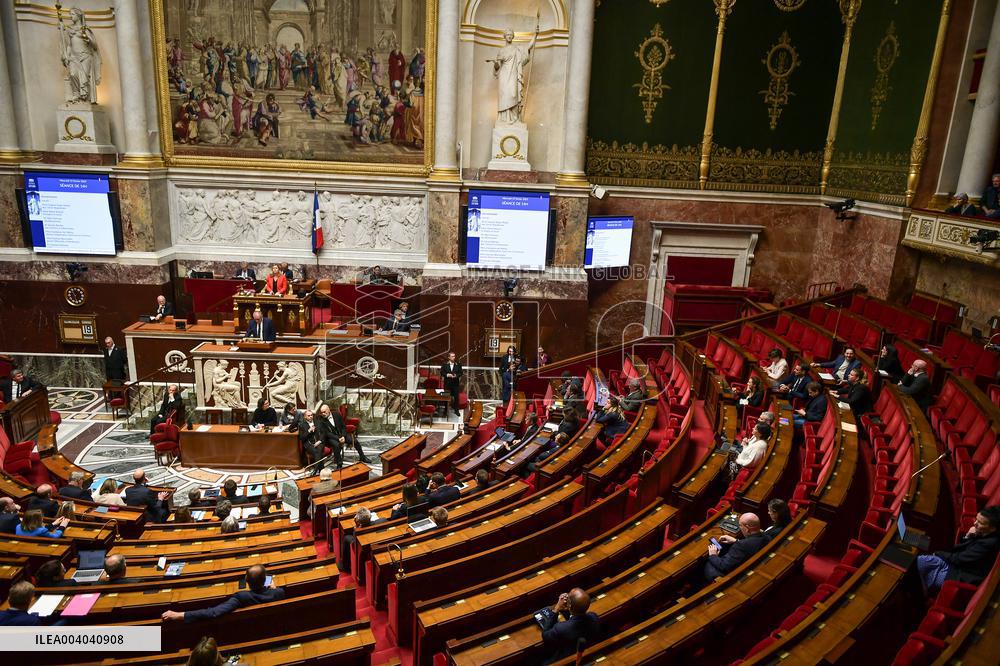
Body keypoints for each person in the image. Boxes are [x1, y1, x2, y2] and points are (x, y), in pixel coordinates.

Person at [916, 507, 999, 595]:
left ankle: (923, 593)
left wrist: (938, 553)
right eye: (976, 519)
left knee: (921, 566)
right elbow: (958, 549)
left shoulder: (988, 544)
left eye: (980, 523)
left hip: (961, 576)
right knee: (921, 561)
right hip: (957, 567)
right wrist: (968, 536)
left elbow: (959, 558)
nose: (975, 523)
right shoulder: (983, 533)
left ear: (992, 528)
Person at [161, 565, 285, 622]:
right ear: (265, 581)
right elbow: (275, 593)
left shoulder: (242, 597)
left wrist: (179, 614)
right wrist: (274, 589)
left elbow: (213, 612)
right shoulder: (279, 592)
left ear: (246, 581)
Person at [538, 588, 601, 662]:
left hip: (567, 658)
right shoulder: (594, 617)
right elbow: (577, 617)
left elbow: (545, 635)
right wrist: (569, 608)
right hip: (585, 649)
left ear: (570, 605)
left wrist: (556, 608)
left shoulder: (561, 628)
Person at [704, 513, 768, 581]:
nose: (740, 527)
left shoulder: (741, 546)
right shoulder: (766, 537)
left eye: (740, 525)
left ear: (747, 528)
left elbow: (723, 566)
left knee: (708, 564)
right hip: (752, 563)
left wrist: (713, 555)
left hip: (734, 574)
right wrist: (736, 541)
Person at [440, 351, 464, 416]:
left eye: (454, 356)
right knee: (446, 397)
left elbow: (461, 373)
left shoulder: (458, 364)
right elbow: (442, 372)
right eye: (452, 356)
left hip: (455, 384)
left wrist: (456, 375)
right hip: (447, 384)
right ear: (449, 357)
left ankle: (456, 410)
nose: (454, 357)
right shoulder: (445, 364)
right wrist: (447, 375)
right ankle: (445, 410)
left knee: (456, 397)